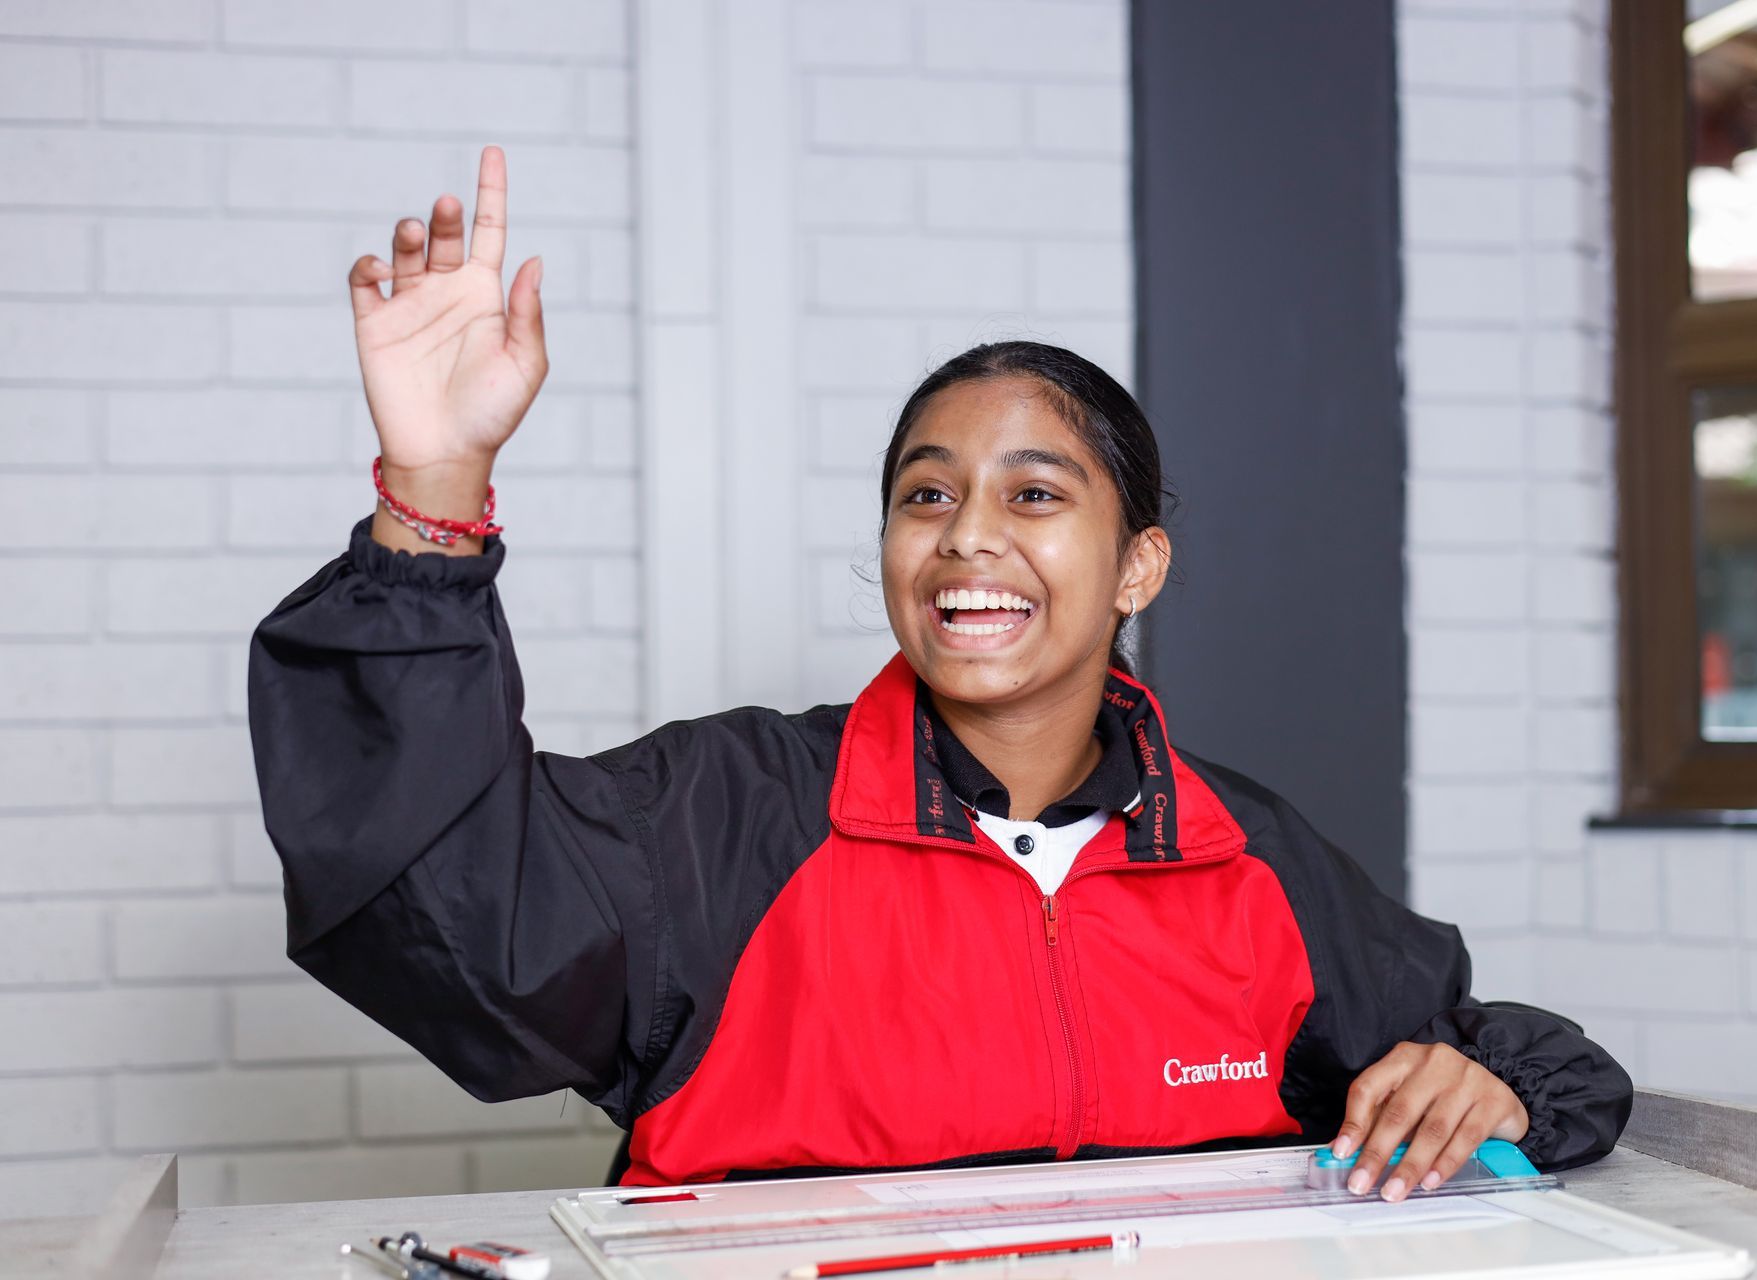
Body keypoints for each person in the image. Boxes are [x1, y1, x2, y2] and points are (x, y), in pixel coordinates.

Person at [248, 147, 1631, 1198]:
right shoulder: (721, 820)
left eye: (1035, 497)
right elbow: (436, 907)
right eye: (927, 496)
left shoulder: (1249, 858)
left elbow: (1491, 1051)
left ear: (1137, 566)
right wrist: (436, 496)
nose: (969, 532)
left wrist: (1488, 1090)